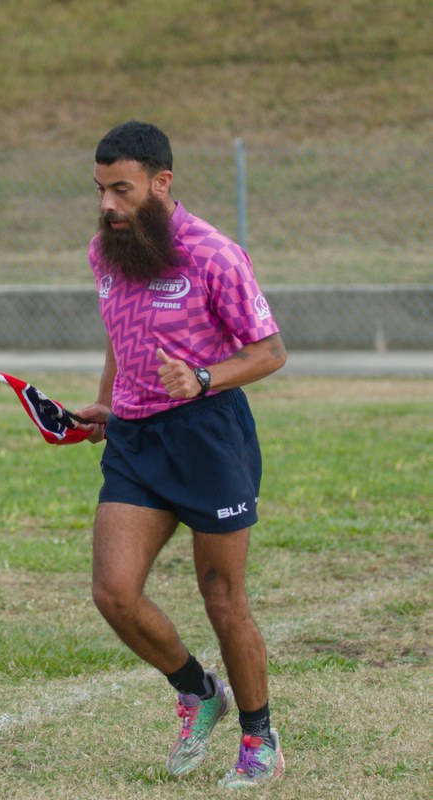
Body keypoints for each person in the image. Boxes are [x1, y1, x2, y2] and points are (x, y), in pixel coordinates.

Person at [76, 120, 287, 789]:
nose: (108, 204)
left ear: (162, 184)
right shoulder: (106, 250)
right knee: (114, 592)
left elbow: (269, 352)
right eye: (101, 189)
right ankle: (199, 691)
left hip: (208, 435)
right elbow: (119, 330)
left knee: (224, 600)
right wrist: (105, 402)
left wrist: (201, 378)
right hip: (136, 439)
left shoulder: (214, 255)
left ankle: (261, 738)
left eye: (122, 189)